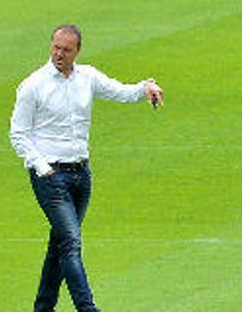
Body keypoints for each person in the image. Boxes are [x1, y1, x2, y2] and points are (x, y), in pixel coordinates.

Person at [10, 24, 164, 312]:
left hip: (81, 174)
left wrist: (145, 88)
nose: (59, 54)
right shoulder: (34, 85)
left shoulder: (87, 77)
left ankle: (43, 308)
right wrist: (42, 167)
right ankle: (88, 307)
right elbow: (18, 133)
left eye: (66, 50)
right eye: (56, 47)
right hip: (50, 176)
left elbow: (120, 91)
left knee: (59, 245)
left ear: (76, 51)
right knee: (71, 243)